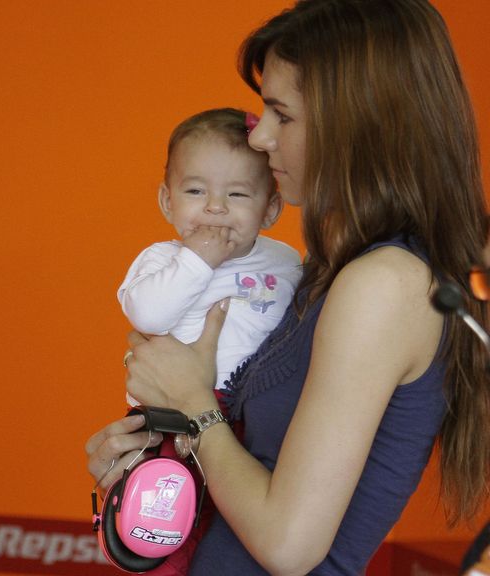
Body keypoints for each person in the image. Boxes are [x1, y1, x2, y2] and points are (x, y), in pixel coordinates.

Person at [85, 1, 490, 574]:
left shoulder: (384, 285)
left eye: (282, 114)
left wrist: (192, 403)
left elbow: (288, 545)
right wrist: (152, 472)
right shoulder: (322, 271)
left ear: (360, 120)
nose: (260, 139)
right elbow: (243, 479)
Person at [118, 107, 301, 404]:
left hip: (257, 406)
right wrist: (196, 261)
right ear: (167, 202)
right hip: (171, 411)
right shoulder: (163, 260)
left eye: (237, 194)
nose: (215, 207)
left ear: (270, 210)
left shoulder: (285, 260)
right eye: (195, 191)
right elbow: (148, 318)